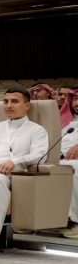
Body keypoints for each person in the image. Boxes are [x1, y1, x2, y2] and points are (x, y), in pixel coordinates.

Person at [0, 88, 49, 258]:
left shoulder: (36, 130)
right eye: (6, 101)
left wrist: (14, 161)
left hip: (10, 172)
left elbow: (39, 156)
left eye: (14, 101)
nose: (8, 105)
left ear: (27, 105)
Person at [59, 91, 78, 237]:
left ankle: (76, 222)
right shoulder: (66, 122)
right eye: (75, 99)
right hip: (61, 159)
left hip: (73, 163)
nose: (77, 103)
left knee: (72, 169)